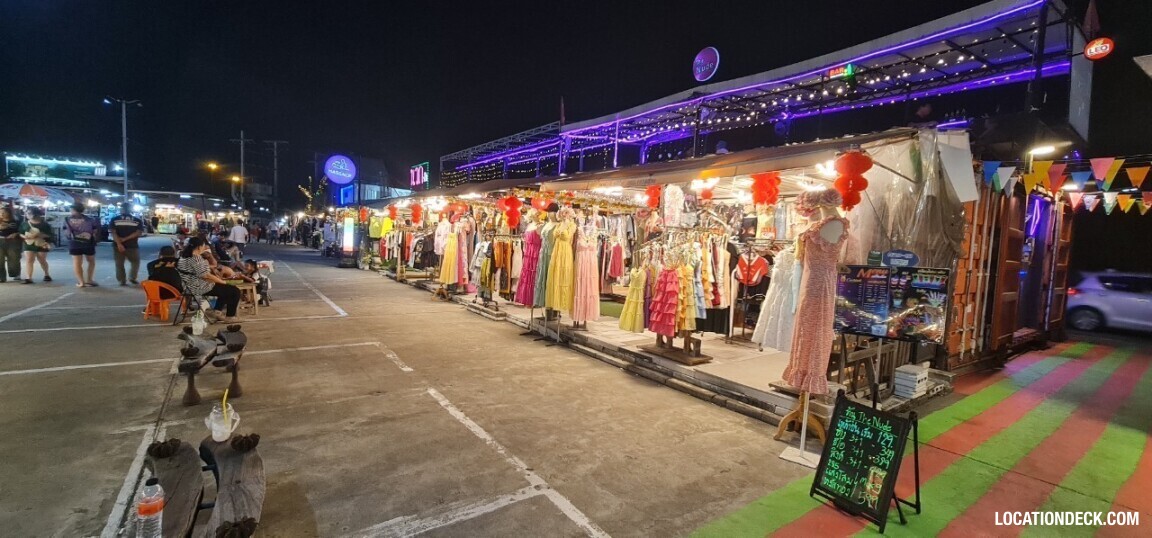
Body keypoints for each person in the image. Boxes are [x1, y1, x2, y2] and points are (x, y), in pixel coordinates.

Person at [178, 236, 241, 323]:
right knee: (235, 291)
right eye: (203, 246)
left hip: (189, 286)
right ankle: (230, 317)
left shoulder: (183, 257)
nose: (204, 248)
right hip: (198, 286)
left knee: (225, 289)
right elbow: (206, 275)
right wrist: (222, 281)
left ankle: (217, 311)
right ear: (199, 247)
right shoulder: (195, 258)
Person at [65, 202, 99, 287]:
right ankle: (90, 280)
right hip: (88, 242)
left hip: (74, 243)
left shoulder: (67, 220)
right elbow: (95, 231)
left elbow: (67, 233)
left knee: (77, 263)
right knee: (91, 261)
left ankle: (81, 282)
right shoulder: (90, 219)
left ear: (73, 210)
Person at [110, 203, 145, 285]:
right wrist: (126, 239)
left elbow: (113, 233)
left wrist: (119, 243)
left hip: (117, 246)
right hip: (132, 245)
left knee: (119, 263)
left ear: (122, 209)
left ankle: (122, 280)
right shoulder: (137, 220)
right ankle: (132, 277)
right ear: (131, 210)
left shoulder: (114, 219)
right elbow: (138, 233)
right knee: (135, 262)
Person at [18, 207, 53, 284]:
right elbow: (20, 233)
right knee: (29, 260)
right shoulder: (25, 223)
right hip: (28, 243)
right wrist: (25, 236)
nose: (27, 215)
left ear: (36, 214)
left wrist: (39, 235)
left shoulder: (44, 224)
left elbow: (49, 235)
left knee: (42, 260)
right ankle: (28, 277)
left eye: (29, 213)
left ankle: (46, 274)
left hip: (41, 244)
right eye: (27, 213)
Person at [0, 206, 22, 283]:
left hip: (13, 241)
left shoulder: (16, 221)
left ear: (9, 213)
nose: (1, 214)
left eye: (3, 212)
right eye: (0, 212)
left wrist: (16, 234)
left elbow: (22, 231)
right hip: (0, 240)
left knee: (14, 258)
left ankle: (16, 274)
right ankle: (1, 277)